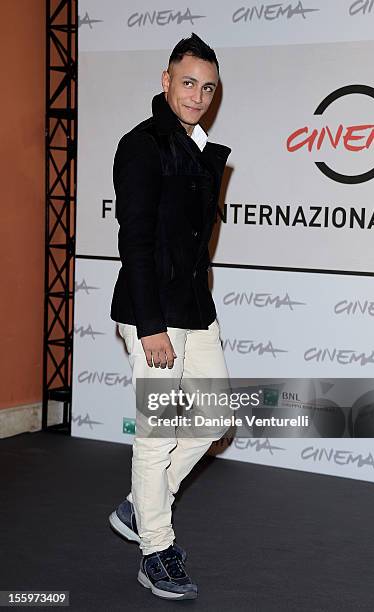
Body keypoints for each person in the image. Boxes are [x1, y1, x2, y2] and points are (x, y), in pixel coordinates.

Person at [108, 33, 231, 601]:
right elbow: (134, 242)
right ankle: (156, 548)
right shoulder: (142, 145)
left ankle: (140, 505)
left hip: (195, 308)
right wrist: (151, 326)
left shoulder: (198, 146)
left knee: (212, 417)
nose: (197, 95)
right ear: (165, 80)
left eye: (207, 87)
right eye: (188, 83)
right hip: (152, 310)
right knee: (156, 438)